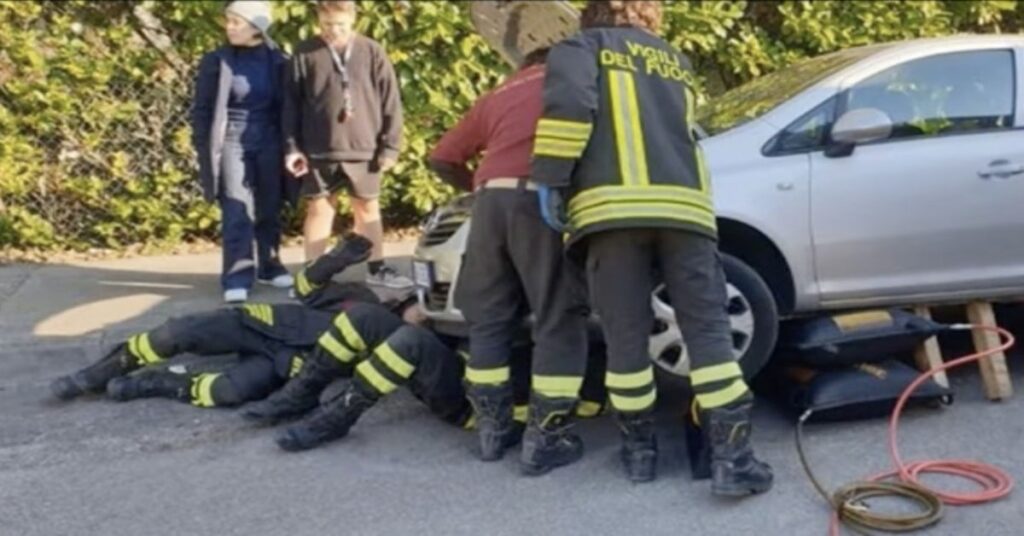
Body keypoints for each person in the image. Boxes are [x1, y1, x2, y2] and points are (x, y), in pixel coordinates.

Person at [531, 0, 773, 494]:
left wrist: (551, 179)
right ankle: (733, 459)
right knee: (708, 332)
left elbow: (571, 107)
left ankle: (639, 454)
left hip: (610, 214)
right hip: (684, 211)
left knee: (625, 335)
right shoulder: (674, 60)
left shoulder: (579, 48)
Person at [428, 46, 591, 476]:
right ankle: (547, 439)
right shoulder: (568, 84)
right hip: (540, 199)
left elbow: (441, 157)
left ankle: (492, 433)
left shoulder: (498, 94)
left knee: (489, 320)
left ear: (524, 65)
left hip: (489, 204)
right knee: (559, 315)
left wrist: (477, 189)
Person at [49, 235, 382, 408]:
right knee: (179, 332)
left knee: (228, 392)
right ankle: (97, 374)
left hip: (286, 363)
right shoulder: (362, 298)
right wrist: (335, 260)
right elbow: (305, 287)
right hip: (262, 325)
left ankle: (158, 383)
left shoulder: (393, 339)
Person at [241, 300, 607, 453]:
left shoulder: (584, 310)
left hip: (490, 407)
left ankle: (338, 418)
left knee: (411, 343)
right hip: (465, 367)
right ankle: (301, 394)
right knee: (365, 316)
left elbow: (587, 403)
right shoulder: (516, 264)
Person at [282, 0, 411, 289]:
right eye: (327, 25)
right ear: (318, 20)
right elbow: (290, 104)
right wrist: (292, 146)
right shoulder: (304, 53)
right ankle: (311, 276)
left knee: (367, 208)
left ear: (353, 19)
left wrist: (390, 146)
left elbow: (391, 101)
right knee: (319, 209)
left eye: (340, 24)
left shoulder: (372, 51)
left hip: (365, 147)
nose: (333, 31)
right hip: (319, 148)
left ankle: (377, 268)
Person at [191, 0, 294, 304]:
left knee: (270, 206)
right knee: (237, 208)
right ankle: (237, 275)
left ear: (256, 28)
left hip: (270, 139)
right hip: (232, 140)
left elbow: (287, 108)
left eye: (236, 22)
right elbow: (203, 109)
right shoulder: (217, 60)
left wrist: (291, 145)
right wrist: (203, 144)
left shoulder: (278, 61)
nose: (229, 28)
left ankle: (270, 265)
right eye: (228, 21)